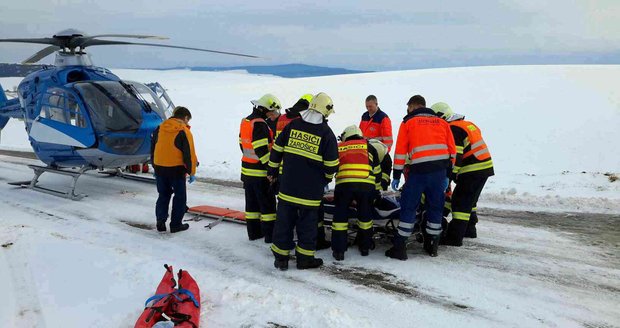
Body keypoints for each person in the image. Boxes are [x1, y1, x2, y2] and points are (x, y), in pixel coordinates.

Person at [267, 92, 339, 271]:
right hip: (310, 191)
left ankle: (281, 259)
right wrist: (324, 179)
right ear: (326, 111)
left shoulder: (293, 125)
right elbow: (332, 165)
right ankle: (304, 259)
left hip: (288, 186)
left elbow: (277, 148)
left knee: (284, 222)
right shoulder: (326, 133)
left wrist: (272, 170)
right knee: (307, 225)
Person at [386, 95, 455, 259]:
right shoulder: (443, 123)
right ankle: (432, 245)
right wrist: (448, 174)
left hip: (419, 171)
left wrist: (396, 174)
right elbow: (452, 151)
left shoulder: (408, 123)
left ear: (412, 106)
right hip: (439, 172)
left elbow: (401, 151)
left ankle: (400, 248)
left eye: (408, 108)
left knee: (409, 206)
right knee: (435, 207)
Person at [430, 102, 494, 246]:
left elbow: (456, 156)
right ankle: (470, 229)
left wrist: (449, 176)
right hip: (483, 167)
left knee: (460, 202)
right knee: (470, 201)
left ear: (441, 116)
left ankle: (454, 238)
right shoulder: (467, 124)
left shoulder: (453, 129)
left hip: (471, 169)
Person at [331, 125, 381, 261]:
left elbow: (332, 165)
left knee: (340, 218)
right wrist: (376, 191)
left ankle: (339, 251)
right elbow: (377, 171)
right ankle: (364, 247)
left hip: (344, 186)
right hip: (366, 186)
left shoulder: (339, 146)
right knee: (365, 218)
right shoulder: (369, 146)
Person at [239, 94, 281, 242]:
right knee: (268, 206)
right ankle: (270, 236)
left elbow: (242, 145)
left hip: (247, 171)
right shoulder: (260, 124)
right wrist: (271, 169)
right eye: (272, 111)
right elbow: (261, 149)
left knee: (251, 205)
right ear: (266, 109)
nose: (273, 115)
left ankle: (254, 233)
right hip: (259, 173)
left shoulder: (246, 121)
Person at [151, 106, 198, 233]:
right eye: (188, 120)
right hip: (176, 170)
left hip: (160, 167)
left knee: (163, 194)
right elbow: (189, 153)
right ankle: (176, 225)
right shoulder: (183, 130)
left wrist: (154, 166)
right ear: (186, 117)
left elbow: (153, 148)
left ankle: (160, 221)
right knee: (180, 197)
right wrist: (191, 171)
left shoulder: (160, 128)